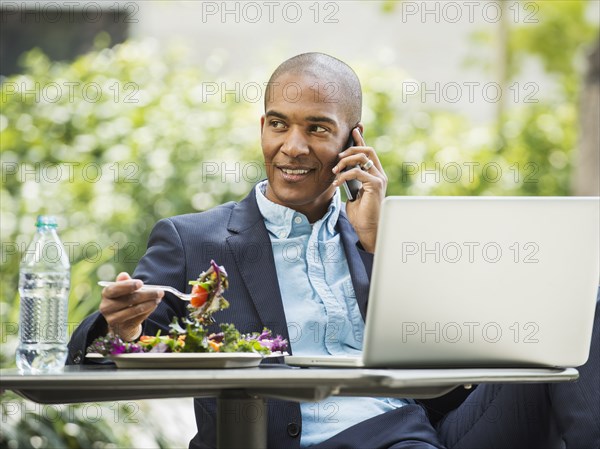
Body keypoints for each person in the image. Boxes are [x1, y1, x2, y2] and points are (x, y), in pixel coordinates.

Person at [68, 53, 600, 449]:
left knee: (576, 314)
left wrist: (377, 241)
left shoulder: (385, 233)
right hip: (273, 439)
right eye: (278, 124)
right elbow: (119, 341)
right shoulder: (197, 238)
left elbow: (463, 344)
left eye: (317, 129)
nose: (292, 147)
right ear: (262, 128)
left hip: (406, 434)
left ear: (353, 140)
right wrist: (122, 326)